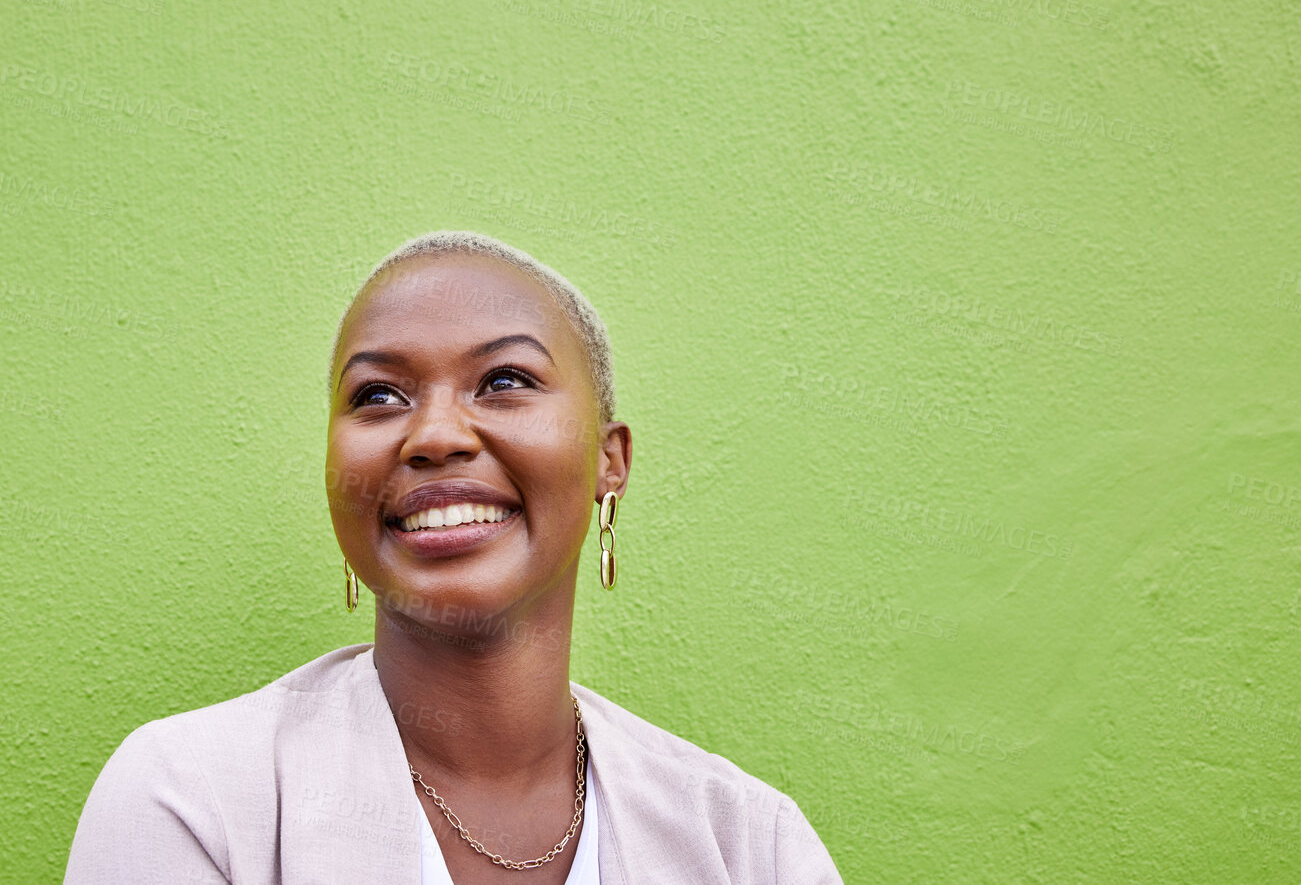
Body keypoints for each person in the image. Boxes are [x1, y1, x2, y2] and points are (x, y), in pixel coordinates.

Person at [63, 231, 843, 884]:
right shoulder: (193, 796)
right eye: (377, 396)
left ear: (610, 462)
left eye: (503, 381)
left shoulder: (748, 845)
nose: (435, 435)